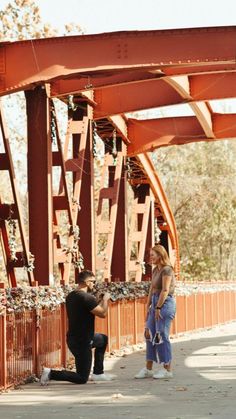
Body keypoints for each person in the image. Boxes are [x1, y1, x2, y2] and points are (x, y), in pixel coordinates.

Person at [40, 270, 114, 385]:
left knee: (103, 339)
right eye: (93, 282)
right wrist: (105, 300)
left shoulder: (71, 296)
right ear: (87, 282)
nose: (94, 285)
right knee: (81, 378)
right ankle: (50, 373)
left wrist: (98, 301)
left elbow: (86, 310)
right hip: (82, 342)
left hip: (75, 338)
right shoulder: (86, 298)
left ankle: (98, 373)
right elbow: (102, 314)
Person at [135, 244, 176, 379]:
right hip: (154, 303)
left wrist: (158, 307)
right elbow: (152, 289)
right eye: (150, 255)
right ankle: (148, 369)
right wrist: (149, 306)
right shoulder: (155, 270)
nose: (150, 257)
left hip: (164, 303)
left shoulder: (167, 270)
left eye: (153, 255)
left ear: (160, 255)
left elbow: (165, 290)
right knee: (149, 334)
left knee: (161, 335)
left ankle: (167, 369)